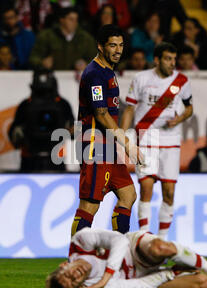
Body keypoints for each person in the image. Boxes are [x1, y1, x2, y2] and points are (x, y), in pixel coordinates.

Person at [70, 24, 144, 237]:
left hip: (107, 146)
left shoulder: (107, 72)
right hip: (94, 146)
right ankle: (75, 257)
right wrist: (127, 143)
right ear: (100, 46)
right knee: (89, 204)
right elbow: (101, 114)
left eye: (121, 45)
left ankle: (119, 251)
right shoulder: (95, 74)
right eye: (112, 45)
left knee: (128, 194)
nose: (118, 50)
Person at [45, 228, 207, 288]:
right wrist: (170, 274)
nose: (75, 276)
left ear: (63, 265)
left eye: (67, 274)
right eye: (74, 282)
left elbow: (118, 241)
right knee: (203, 284)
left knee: (161, 247)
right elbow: (139, 286)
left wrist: (106, 274)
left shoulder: (79, 243)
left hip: (135, 249)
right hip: (145, 276)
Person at [121, 42, 193, 240]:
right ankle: (144, 239)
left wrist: (178, 119)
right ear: (157, 59)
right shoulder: (141, 78)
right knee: (146, 188)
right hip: (146, 138)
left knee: (169, 192)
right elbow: (129, 108)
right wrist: (125, 135)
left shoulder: (182, 81)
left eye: (174, 59)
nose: (172, 63)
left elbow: (189, 108)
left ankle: (161, 241)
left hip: (171, 140)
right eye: (168, 59)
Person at [8, 68, 74, 172]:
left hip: (55, 159)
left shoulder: (62, 104)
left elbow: (74, 131)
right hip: (30, 159)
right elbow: (14, 134)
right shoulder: (26, 105)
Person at [29, 7, 97, 71]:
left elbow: (96, 60)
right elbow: (34, 57)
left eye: (76, 20)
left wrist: (87, 65)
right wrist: (42, 63)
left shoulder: (86, 38)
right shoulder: (46, 36)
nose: (75, 23)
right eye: (71, 19)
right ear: (62, 20)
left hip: (76, 79)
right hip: (52, 77)